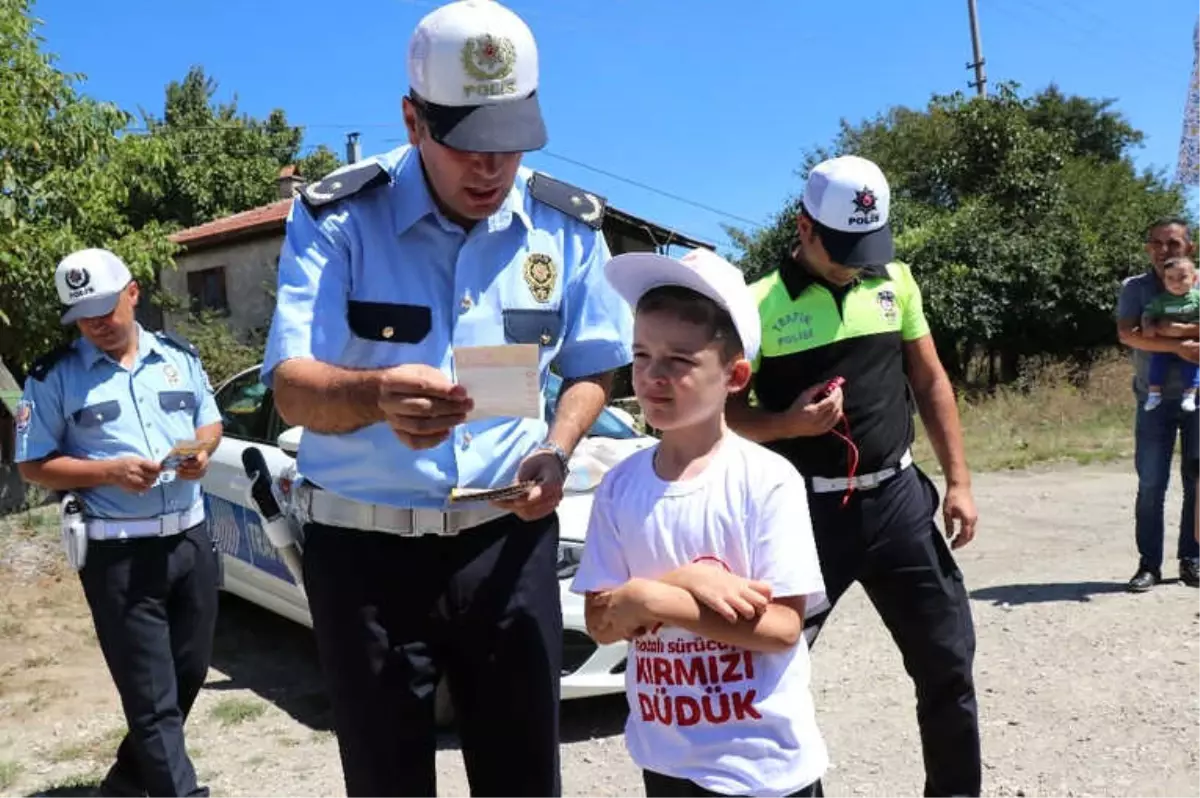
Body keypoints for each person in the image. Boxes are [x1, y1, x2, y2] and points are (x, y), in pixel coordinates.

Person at [259, 1, 633, 795]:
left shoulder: (565, 227)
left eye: (510, 143)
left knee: (524, 776)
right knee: (388, 779)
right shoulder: (338, 218)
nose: (490, 169)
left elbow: (598, 364)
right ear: (412, 119)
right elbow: (292, 386)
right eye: (467, 142)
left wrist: (557, 448)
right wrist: (375, 394)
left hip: (507, 541)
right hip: (366, 557)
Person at [726, 155, 982, 798]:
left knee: (947, 664)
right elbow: (725, 413)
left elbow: (928, 378)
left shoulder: (894, 279)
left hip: (897, 501)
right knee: (769, 672)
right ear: (804, 226)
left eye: (867, 246)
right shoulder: (756, 306)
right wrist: (788, 425)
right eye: (843, 247)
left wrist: (959, 479)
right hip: (805, 518)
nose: (857, 260)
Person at [571, 247, 829, 798]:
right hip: (666, 760)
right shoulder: (620, 487)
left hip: (762, 769)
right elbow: (600, 621)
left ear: (735, 375)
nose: (653, 377)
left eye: (680, 361)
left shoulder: (767, 480)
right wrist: (678, 585)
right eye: (641, 356)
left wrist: (653, 603)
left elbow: (783, 629)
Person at [15, 248, 223, 798]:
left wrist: (202, 450)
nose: (97, 324)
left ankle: (127, 784)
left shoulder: (179, 356)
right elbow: (33, 463)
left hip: (191, 539)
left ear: (133, 292)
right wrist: (105, 472)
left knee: (187, 675)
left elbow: (209, 417)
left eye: (106, 308)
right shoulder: (53, 378)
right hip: (119, 555)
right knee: (151, 697)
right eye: (84, 316)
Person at [1116, 218, 1200, 592]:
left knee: (1197, 483)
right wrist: (1179, 345)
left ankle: (1192, 559)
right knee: (1151, 484)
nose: (1166, 249)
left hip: (1197, 399)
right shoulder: (1135, 287)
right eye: (1158, 243)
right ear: (1149, 248)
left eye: (1174, 243)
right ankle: (1149, 564)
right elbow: (1128, 334)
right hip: (1151, 401)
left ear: (1190, 248)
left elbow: (1148, 331)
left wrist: (1166, 331)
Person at [1140, 257, 1200, 412]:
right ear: (1164, 280)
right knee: (1157, 364)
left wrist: (1186, 329)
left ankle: (1189, 396)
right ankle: (1154, 394)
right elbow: (1148, 314)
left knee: (1192, 365)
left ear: (1194, 279)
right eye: (1170, 278)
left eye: (1182, 277)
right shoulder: (1161, 300)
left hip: (1190, 342)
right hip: (1165, 344)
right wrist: (1148, 326)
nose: (1176, 282)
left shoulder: (1197, 299)